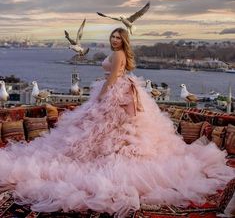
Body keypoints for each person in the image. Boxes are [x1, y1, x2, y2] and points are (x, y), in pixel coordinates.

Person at [0, 27, 234, 217]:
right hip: (121, 91)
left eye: (118, 37)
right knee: (109, 132)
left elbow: (111, 79)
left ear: (124, 41)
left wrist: (99, 99)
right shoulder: (118, 53)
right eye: (112, 36)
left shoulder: (119, 55)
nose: (114, 40)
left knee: (108, 130)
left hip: (115, 93)